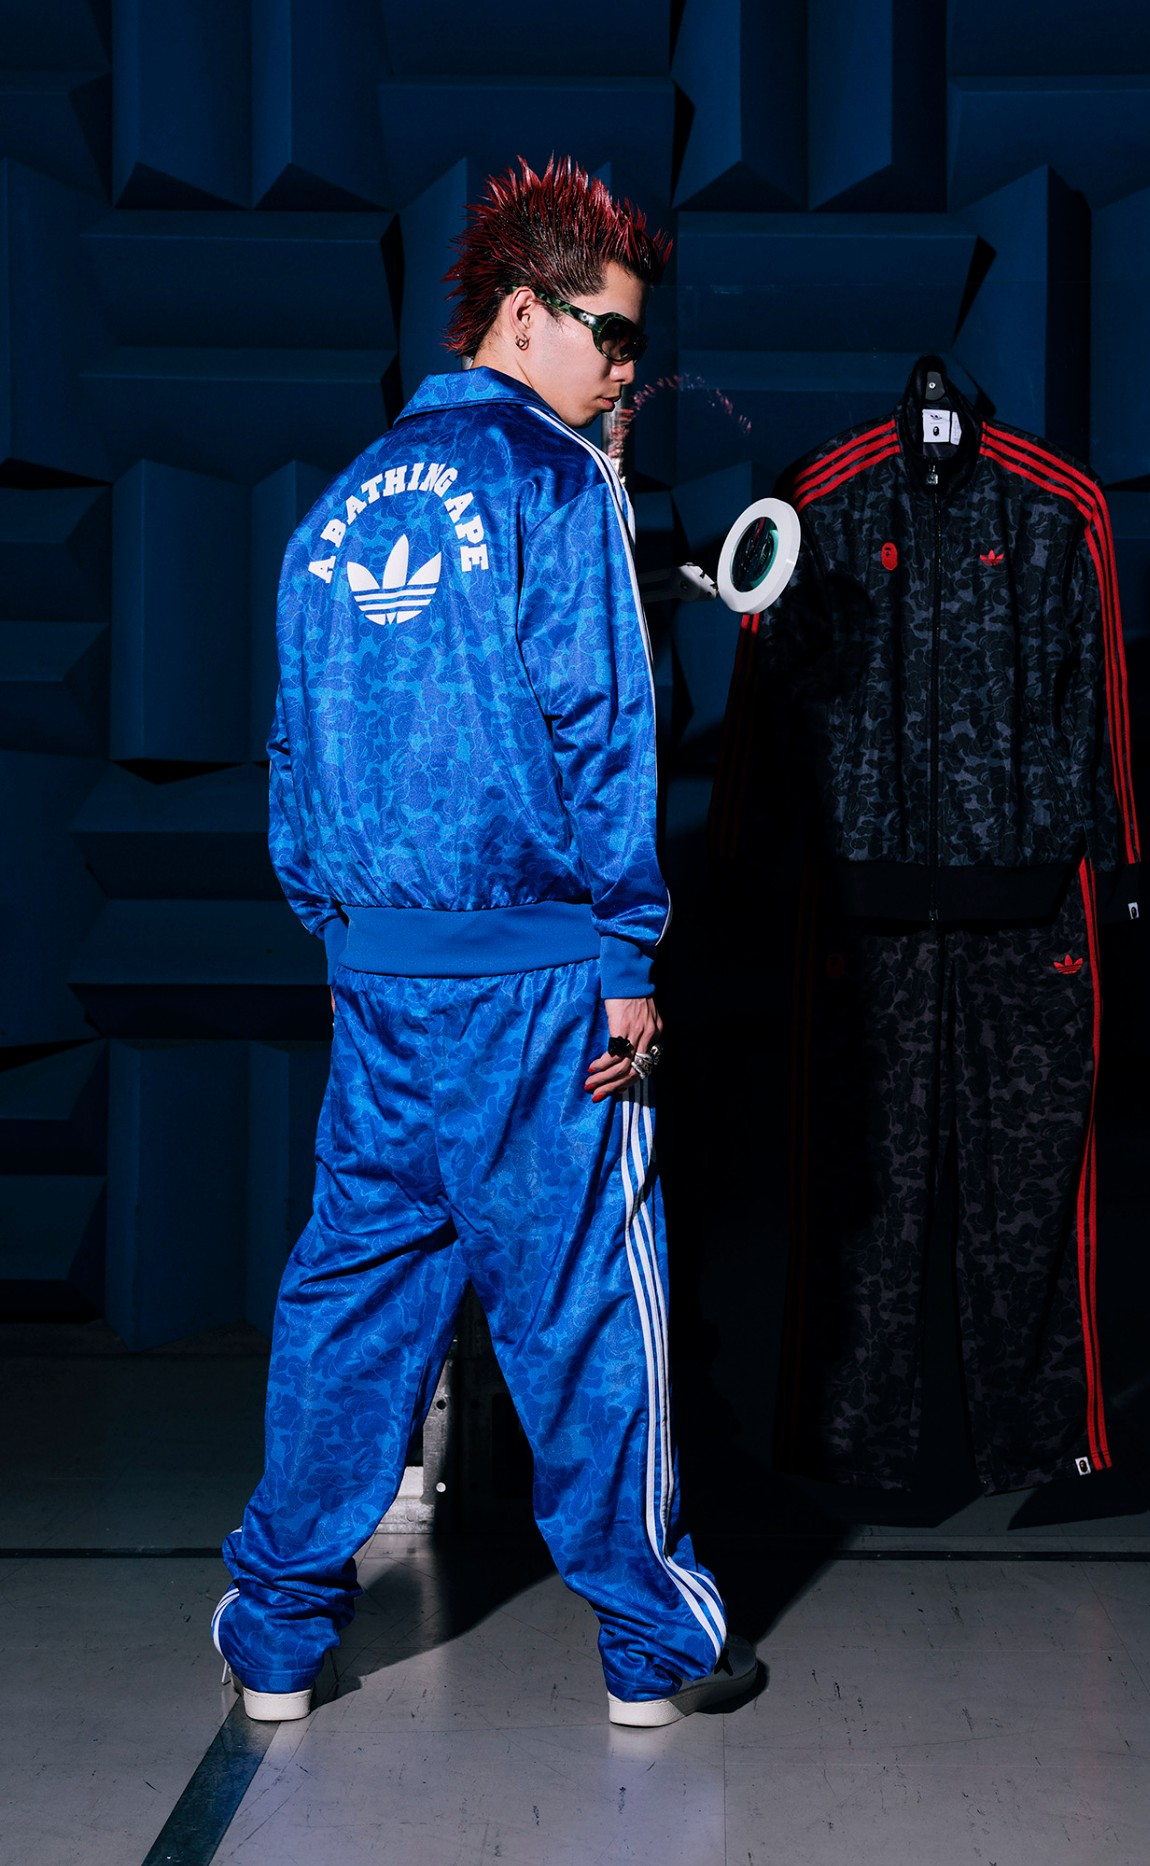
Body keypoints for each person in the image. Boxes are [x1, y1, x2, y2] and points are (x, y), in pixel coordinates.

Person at [212, 157, 754, 1729]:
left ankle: (274, 1637)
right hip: (540, 992)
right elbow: (606, 727)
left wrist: (349, 932)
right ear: (523, 315)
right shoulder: (557, 485)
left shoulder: (334, 505)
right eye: (613, 338)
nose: (629, 373)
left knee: (350, 1310)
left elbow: (292, 757)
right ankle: (654, 1648)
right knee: (587, 1310)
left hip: (382, 988)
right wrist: (628, 958)